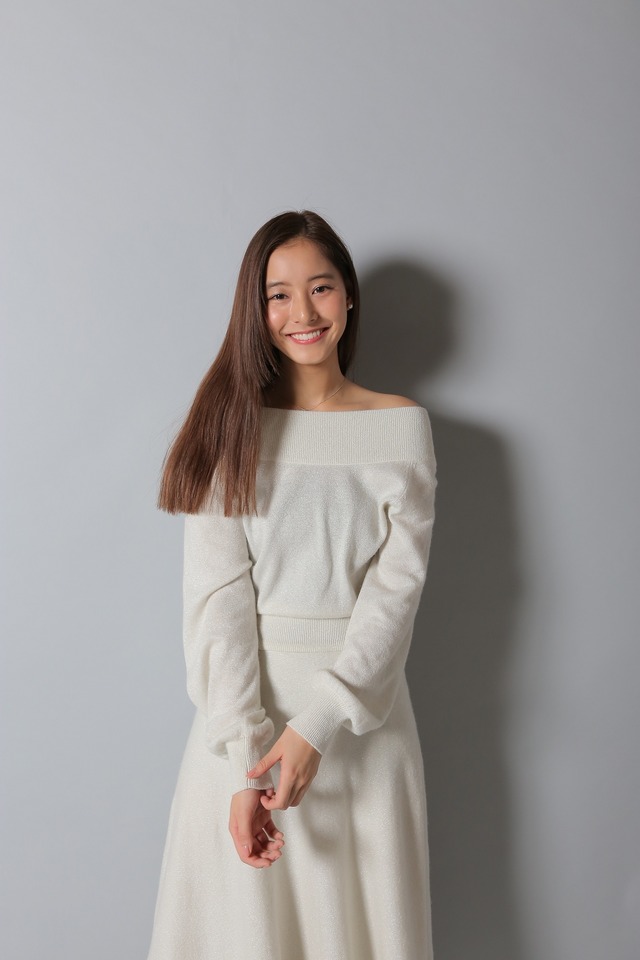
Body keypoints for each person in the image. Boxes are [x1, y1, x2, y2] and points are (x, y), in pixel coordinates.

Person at [147, 210, 438, 959]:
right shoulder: (229, 430)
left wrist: (318, 725)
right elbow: (217, 609)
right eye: (278, 294)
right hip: (239, 736)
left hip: (363, 730)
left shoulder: (402, 429)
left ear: (349, 296)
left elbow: (396, 597)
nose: (302, 312)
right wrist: (247, 758)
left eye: (321, 287)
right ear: (256, 308)